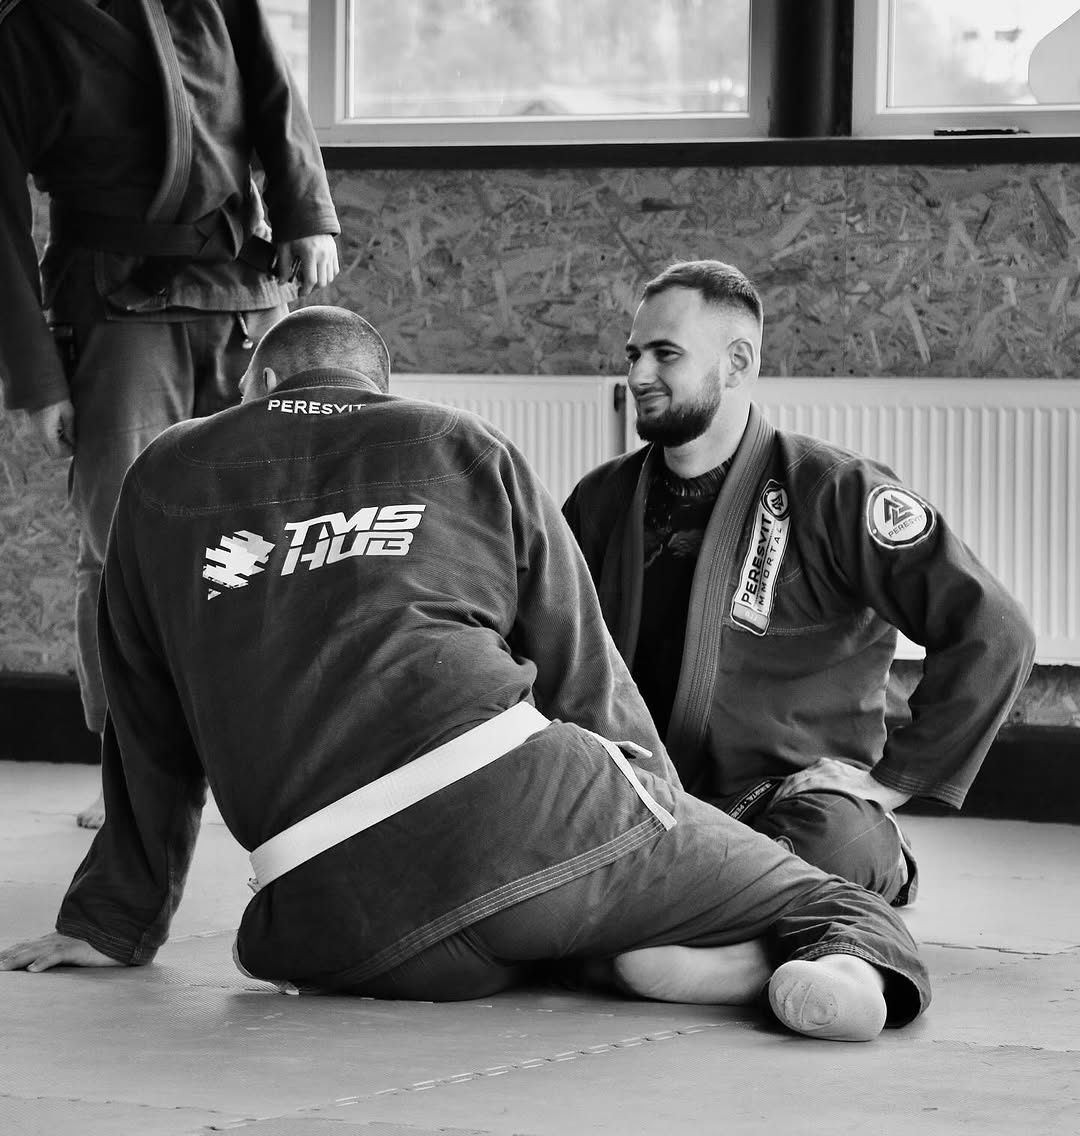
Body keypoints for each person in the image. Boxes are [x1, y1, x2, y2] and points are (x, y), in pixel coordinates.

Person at [0, 306, 932, 1043]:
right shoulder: (459, 442)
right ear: (376, 385)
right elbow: (580, 662)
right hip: (527, 812)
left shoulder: (162, 472)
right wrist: (659, 812)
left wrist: (113, 922)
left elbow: (144, 719)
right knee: (831, 898)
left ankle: (618, 953)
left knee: (502, 931)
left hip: (337, 919)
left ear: (265, 383)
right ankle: (829, 971)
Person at [563, 260, 1037, 907]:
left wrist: (894, 781)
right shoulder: (600, 500)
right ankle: (732, 919)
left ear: (737, 363)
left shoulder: (835, 490)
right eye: (633, 355)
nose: (639, 375)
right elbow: (547, 640)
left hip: (784, 807)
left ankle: (687, 911)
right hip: (644, 799)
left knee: (845, 843)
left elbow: (995, 630)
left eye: (665, 354)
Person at [0, 0, 340, 828]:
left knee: (275, 531)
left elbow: (275, 96)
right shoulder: (30, 28)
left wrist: (306, 212)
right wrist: (37, 379)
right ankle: (133, 768)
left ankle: (264, 755)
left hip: (244, 291)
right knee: (123, 546)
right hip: (114, 306)